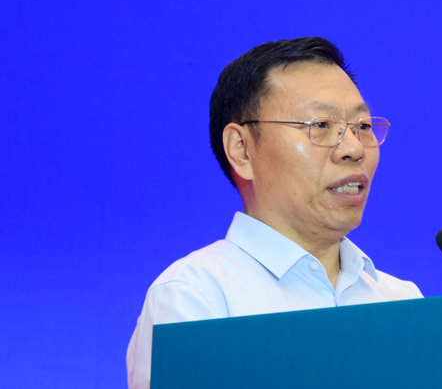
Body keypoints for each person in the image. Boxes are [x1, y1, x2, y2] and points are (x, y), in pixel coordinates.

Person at [126, 37, 423, 388]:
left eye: (362, 126)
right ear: (242, 149)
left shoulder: (402, 301)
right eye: (321, 125)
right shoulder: (196, 296)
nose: (355, 148)